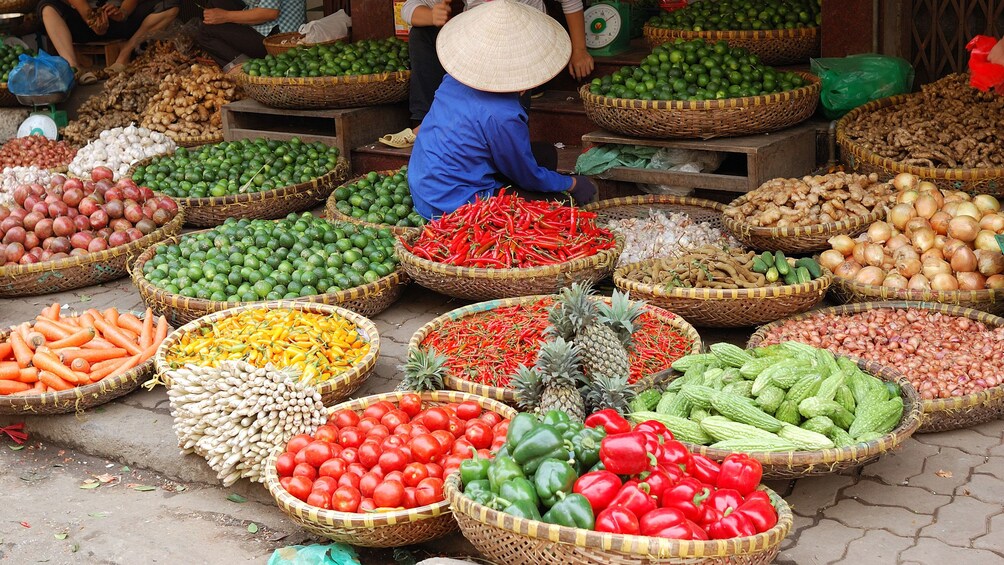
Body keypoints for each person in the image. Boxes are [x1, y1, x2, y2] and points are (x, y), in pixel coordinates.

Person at [407, 0, 598, 220]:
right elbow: (528, 176)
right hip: (454, 205)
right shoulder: (503, 114)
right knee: (559, 206)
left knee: (545, 154)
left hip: (426, 186)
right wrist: (572, 183)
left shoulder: (453, 80)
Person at [379, 0, 594, 148]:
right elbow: (409, 8)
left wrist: (579, 50)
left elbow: (571, 2)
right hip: (477, 45)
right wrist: (432, 15)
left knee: (508, 47)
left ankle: (497, 134)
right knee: (421, 33)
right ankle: (425, 121)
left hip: (525, 49)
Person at [37, 0, 179, 84]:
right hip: (84, 22)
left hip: (120, 22)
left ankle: (125, 54)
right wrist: (92, 20)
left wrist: (123, 13)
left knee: (170, 4)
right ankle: (73, 67)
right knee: (47, 6)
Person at [195, 0, 306, 71]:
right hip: (263, 30)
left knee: (205, 32)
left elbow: (269, 12)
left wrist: (225, 16)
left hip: (279, 42)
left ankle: (248, 70)